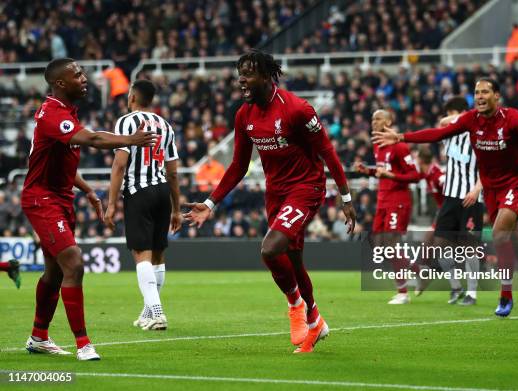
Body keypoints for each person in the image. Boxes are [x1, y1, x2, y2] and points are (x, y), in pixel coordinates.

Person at [373, 78, 518, 317]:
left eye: (485, 92)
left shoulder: (511, 118)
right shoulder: (471, 119)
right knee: (516, 243)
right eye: (477, 92)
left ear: (496, 96)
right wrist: (403, 137)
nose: (479, 96)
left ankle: (505, 296)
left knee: (500, 234)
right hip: (491, 189)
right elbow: (439, 133)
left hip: (515, 183)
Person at [184, 50, 356, 353]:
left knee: (270, 248)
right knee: (293, 258)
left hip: (306, 188)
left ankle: (295, 306)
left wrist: (345, 196)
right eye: (239, 74)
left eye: (248, 74)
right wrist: (210, 204)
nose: (241, 80)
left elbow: (327, 151)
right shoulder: (244, 115)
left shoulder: (297, 109)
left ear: (265, 76)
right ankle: (315, 321)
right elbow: (238, 166)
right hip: (275, 192)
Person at [21, 58, 156, 360]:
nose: (84, 78)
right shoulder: (53, 114)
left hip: (60, 198)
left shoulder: (66, 113)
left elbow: (62, 161)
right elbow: (93, 139)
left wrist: (89, 192)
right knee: (74, 264)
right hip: (41, 199)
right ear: (59, 83)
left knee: (54, 273)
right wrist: (131, 140)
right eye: (77, 75)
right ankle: (83, 344)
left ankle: (39, 337)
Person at [104, 79, 181, 331]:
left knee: (141, 254)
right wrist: (177, 208)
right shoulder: (165, 125)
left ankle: (157, 313)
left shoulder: (126, 122)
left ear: (132, 97)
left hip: (139, 191)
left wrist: (111, 204)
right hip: (161, 191)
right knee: (158, 254)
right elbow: (173, 173)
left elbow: (119, 165)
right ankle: (149, 312)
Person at [420, 97, 485, 306]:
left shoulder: (479, 136)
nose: (449, 117)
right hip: (450, 197)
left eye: (453, 112)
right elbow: (442, 123)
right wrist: (464, 116)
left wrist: (476, 190)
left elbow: (486, 169)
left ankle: (472, 293)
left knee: (469, 247)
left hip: (471, 198)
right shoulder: (449, 135)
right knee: (440, 244)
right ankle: (456, 287)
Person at [355, 109, 423, 305]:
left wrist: (391, 176)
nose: (374, 122)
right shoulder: (378, 145)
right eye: (372, 118)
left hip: (398, 200)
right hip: (383, 200)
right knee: (379, 246)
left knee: (391, 247)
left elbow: (414, 175)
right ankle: (418, 271)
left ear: (389, 121)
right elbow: (383, 172)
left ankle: (403, 293)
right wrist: (368, 171)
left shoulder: (399, 146)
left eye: (378, 118)